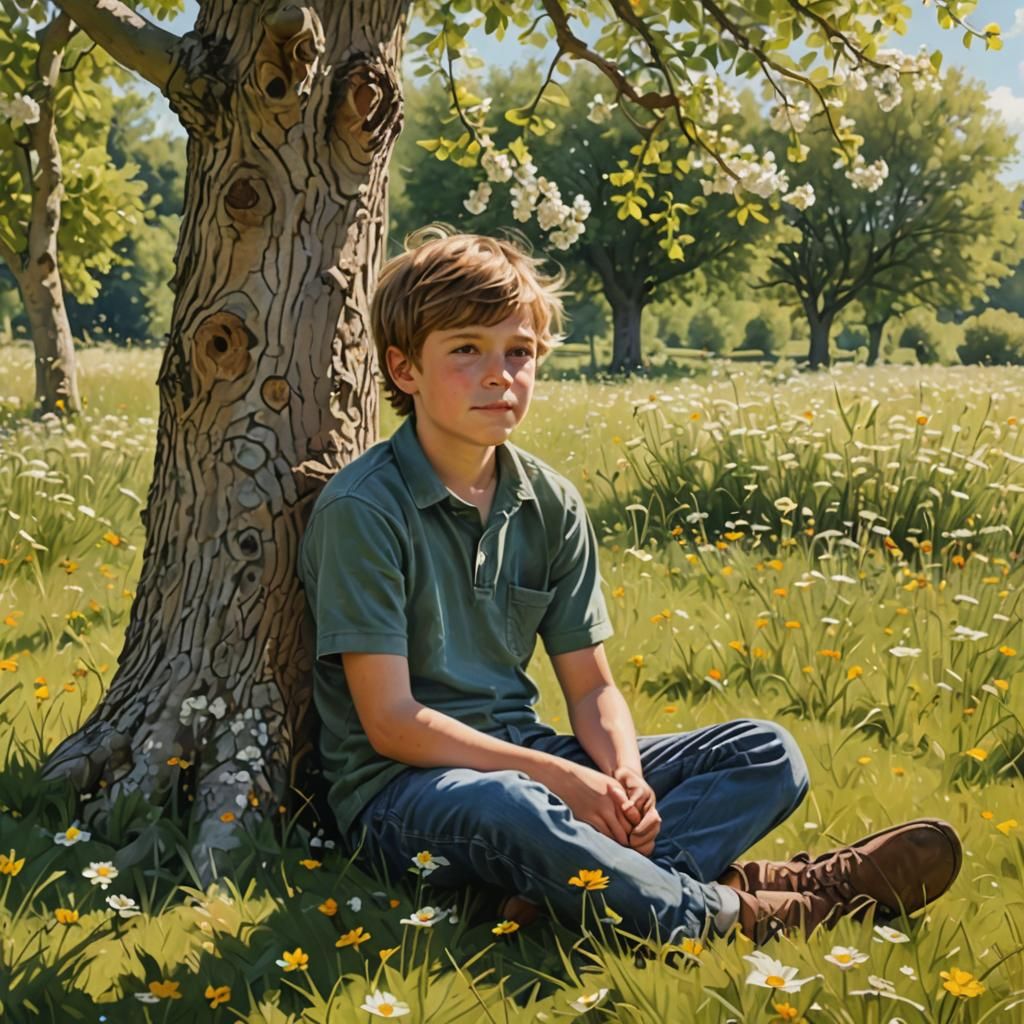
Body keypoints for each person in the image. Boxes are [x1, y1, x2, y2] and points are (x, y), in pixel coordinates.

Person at [297, 228, 962, 946]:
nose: (500, 375)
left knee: (766, 752)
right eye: (466, 349)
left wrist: (623, 774)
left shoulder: (550, 502)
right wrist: (560, 780)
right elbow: (391, 721)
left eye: (519, 351)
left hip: (528, 758)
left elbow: (591, 688)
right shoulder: (364, 508)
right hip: (406, 795)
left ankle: (572, 895)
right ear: (404, 369)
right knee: (512, 805)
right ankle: (752, 906)